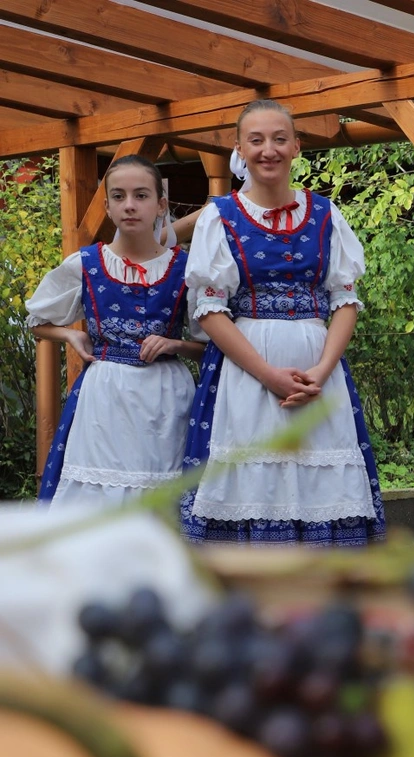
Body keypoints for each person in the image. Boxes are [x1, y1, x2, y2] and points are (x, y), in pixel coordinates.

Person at [179, 99, 386, 546]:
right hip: (245, 377)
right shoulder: (219, 216)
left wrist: (323, 371)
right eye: (256, 140)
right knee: (248, 480)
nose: (267, 150)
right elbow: (210, 309)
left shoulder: (327, 213)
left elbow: (344, 300)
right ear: (240, 148)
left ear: (296, 147)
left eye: (278, 139)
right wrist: (268, 374)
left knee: (318, 479)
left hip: (317, 374)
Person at [28, 155, 203, 507]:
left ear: (160, 205)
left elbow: (210, 345)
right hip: (105, 397)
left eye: (141, 195)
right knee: (99, 489)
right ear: (106, 206)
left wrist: (175, 343)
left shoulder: (188, 269)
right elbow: (37, 321)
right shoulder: (86, 264)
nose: (130, 206)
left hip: (166, 396)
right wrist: (70, 335)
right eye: (119, 196)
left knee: (164, 489)